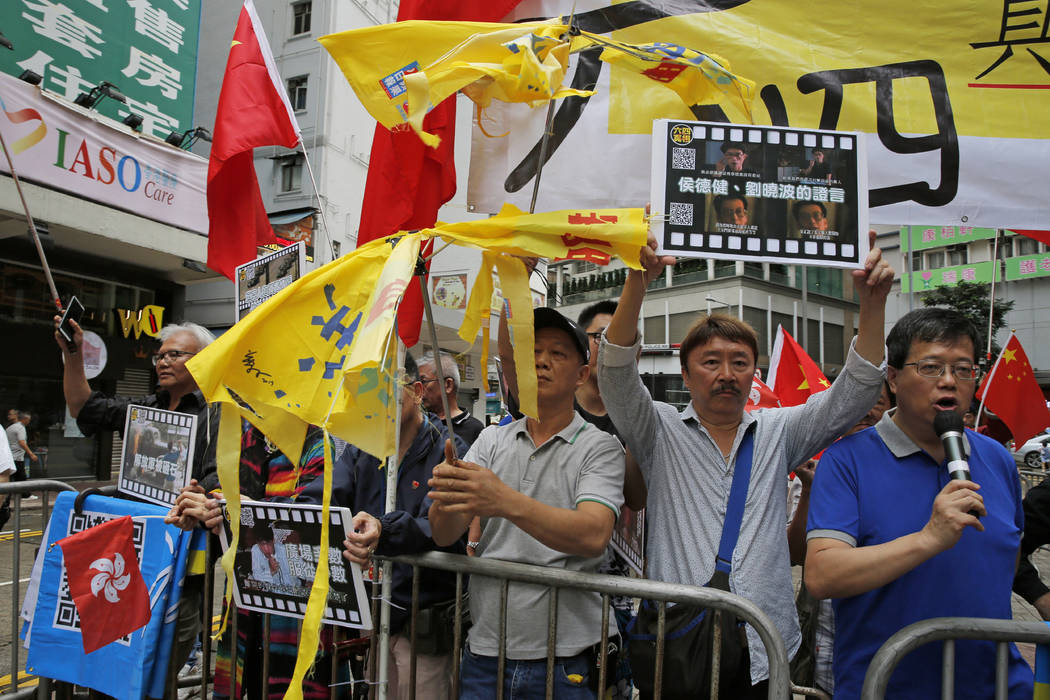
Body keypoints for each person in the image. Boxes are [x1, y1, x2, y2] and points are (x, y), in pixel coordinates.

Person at [597, 230, 892, 696]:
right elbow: (614, 373)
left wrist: (872, 306)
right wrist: (638, 281)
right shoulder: (659, 429)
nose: (727, 374)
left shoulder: (780, 431)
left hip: (765, 648)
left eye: (740, 362)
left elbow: (854, 394)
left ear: (754, 372)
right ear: (687, 373)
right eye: (711, 362)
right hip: (677, 645)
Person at [805, 307, 1034, 699]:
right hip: (884, 686)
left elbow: (1005, 559)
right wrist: (929, 539)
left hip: (998, 686)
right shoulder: (847, 460)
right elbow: (823, 575)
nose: (948, 382)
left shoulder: (997, 458)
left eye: (963, 369)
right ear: (893, 378)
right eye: (930, 367)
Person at [429, 307, 626, 699]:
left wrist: (501, 500)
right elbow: (442, 532)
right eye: (533, 351)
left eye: (558, 353)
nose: (541, 361)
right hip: (485, 652)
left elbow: (592, 534)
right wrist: (448, 496)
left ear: (582, 374)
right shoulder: (490, 440)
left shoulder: (600, 447)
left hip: (567, 659)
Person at [58, 318, 221, 685]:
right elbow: (84, 406)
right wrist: (72, 353)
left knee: (159, 667)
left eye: (174, 355)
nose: (162, 362)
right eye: (159, 356)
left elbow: (219, 479)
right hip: (129, 557)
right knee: (115, 658)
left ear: (203, 359)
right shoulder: (145, 407)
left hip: (181, 561)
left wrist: (201, 497)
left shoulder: (217, 413)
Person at [297, 353, 468, 700]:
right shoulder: (363, 450)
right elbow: (323, 499)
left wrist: (384, 529)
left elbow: (435, 529)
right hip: (375, 616)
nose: (379, 402)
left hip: (425, 621)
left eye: (388, 390)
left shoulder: (448, 448)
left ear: (418, 391)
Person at [785, 382, 892, 695]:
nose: (868, 409)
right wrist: (809, 489)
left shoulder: (905, 469)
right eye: (860, 400)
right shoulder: (818, 464)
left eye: (879, 401)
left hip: (884, 631)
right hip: (826, 635)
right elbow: (796, 554)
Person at [419, 351, 485, 447]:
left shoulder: (475, 429)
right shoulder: (419, 423)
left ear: (448, 385)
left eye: (423, 381)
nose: (417, 389)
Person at [6, 411, 37, 488]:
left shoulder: (10, 427)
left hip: (10, 456)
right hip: (17, 457)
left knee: (14, 477)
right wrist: (31, 454)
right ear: (25, 419)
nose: (29, 422)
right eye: (28, 420)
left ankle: (10, 497)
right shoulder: (21, 427)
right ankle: (25, 494)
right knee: (20, 477)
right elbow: (22, 442)